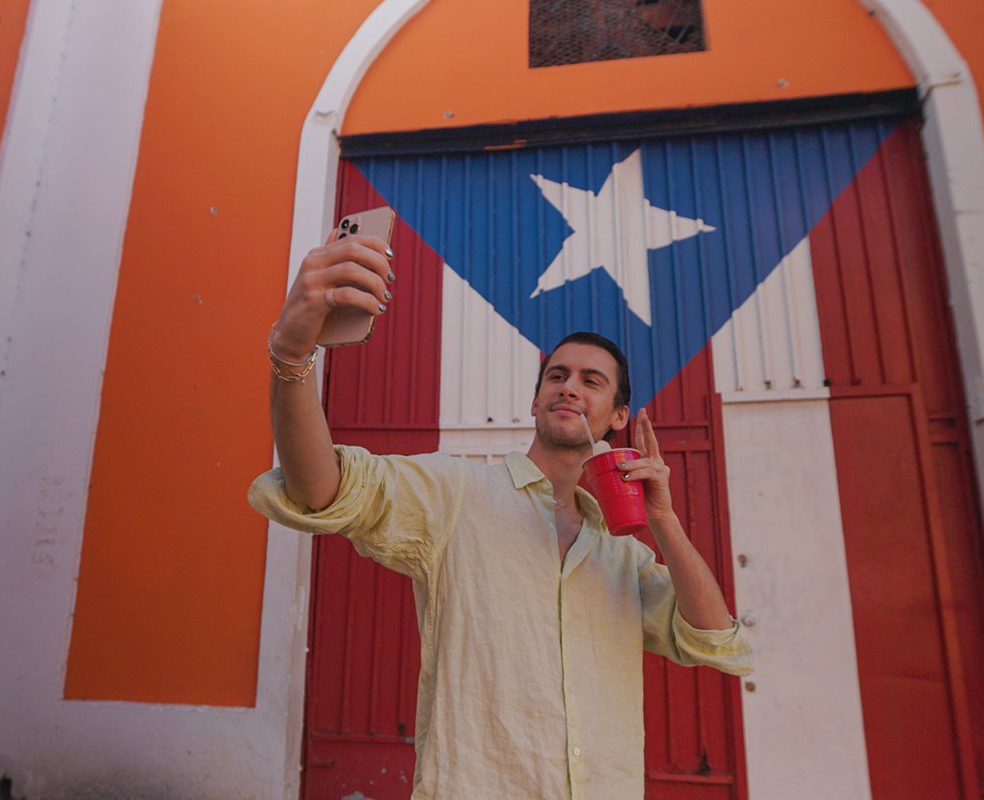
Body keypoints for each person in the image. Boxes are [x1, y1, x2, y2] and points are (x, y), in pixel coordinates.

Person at [249, 229, 753, 799]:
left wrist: (666, 521)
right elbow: (321, 490)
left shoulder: (623, 556)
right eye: (556, 376)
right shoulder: (458, 492)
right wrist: (291, 357)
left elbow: (714, 642)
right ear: (536, 401)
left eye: (592, 382)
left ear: (618, 416)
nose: (569, 388)